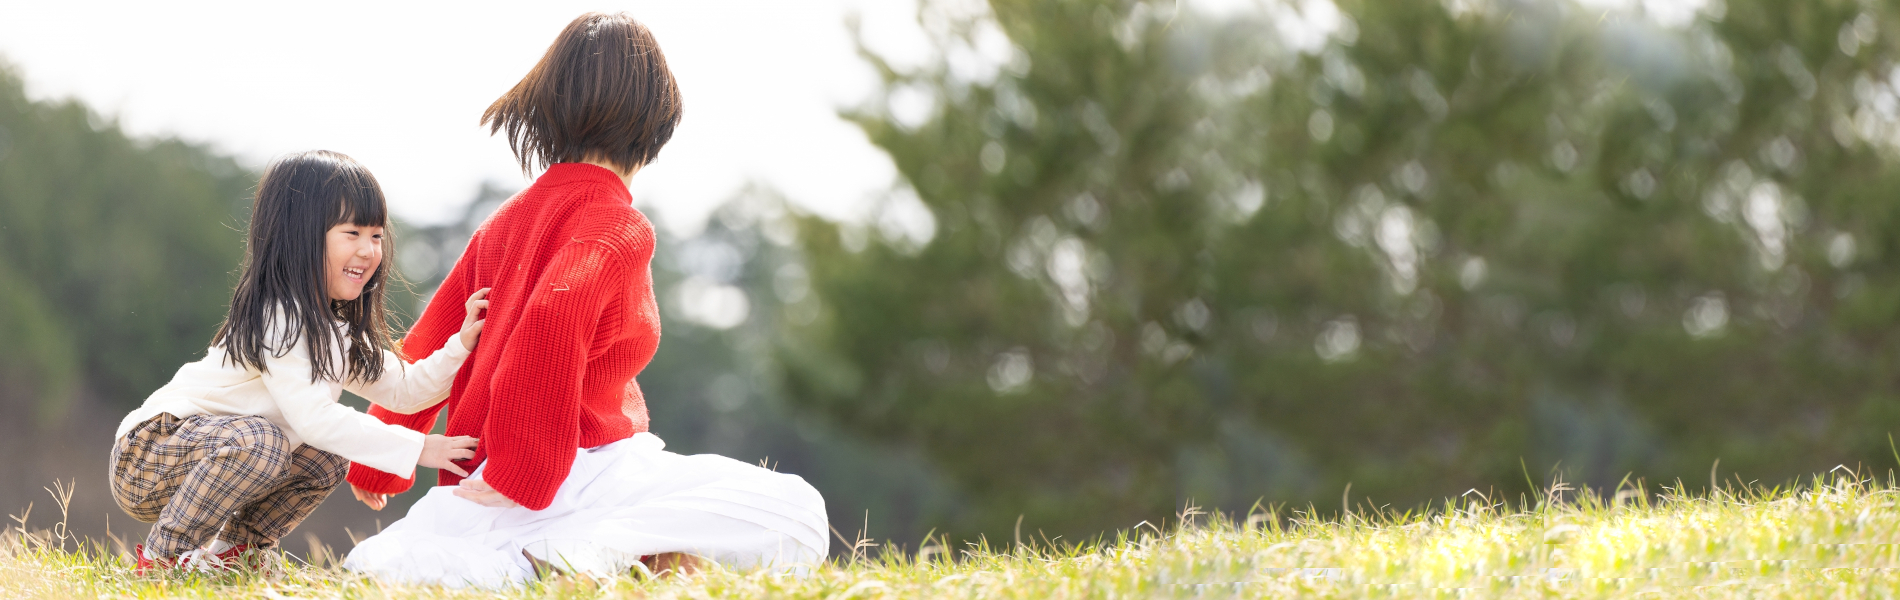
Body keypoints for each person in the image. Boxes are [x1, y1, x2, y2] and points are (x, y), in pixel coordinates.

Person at [339, 12, 828, 587]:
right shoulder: (619, 225)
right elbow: (552, 317)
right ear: (657, 118)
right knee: (798, 512)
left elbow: (432, 341)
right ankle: (590, 551)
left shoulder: (502, 224)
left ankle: (551, 556)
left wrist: (384, 452)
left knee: (411, 557)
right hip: (578, 468)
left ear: (547, 108)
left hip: (493, 472)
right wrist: (522, 471)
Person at [109, 150, 489, 574]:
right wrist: (418, 447)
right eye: (352, 233)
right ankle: (164, 560)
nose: (368, 250)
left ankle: (236, 554)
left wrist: (463, 344)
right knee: (265, 442)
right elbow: (315, 418)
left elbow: (407, 390)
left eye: (377, 236)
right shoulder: (279, 316)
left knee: (326, 457)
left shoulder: (334, 332)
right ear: (302, 235)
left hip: (216, 461)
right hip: (148, 457)